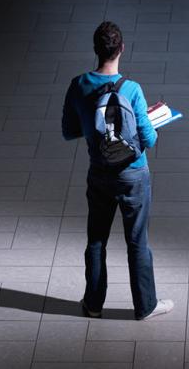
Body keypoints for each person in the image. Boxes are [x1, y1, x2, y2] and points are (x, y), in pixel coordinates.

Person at [62, 21, 174, 320]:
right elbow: (149, 139)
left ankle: (93, 304)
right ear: (121, 48)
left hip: (99, 173)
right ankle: (145, 306)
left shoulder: (79, 84)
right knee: (137, 241)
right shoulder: (132, 89)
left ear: (96, 50)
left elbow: (69, 131)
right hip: (133, 174)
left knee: (96, 240)